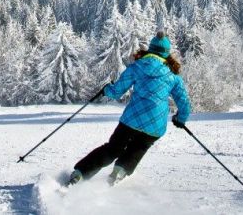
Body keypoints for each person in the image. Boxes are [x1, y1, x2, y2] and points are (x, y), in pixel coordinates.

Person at [67, 32, 191, 186]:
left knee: (112, 149)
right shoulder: (173, 76)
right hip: (155, 125)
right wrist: (180, 119)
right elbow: (184, 102)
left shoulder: (136, 67)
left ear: (150, 49)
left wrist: (107, 89)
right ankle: (119, 172)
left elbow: (117, 91)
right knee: (139, 147)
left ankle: (80, 173)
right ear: (166, 54)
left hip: (132, 119)